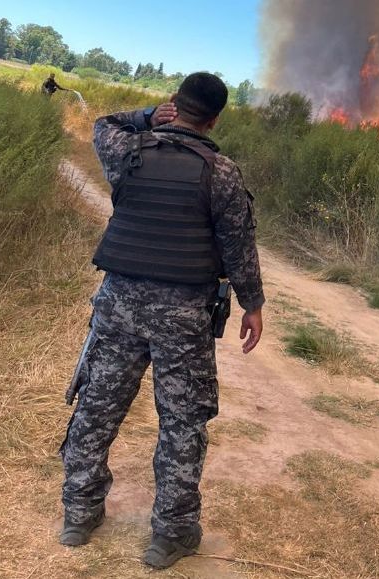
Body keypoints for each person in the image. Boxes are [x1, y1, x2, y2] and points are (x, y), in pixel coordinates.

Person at [59, 72, 265, 569]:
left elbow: (101, 124)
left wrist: (146, 116)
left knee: (97, 409)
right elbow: (238, 247)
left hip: (119, 307)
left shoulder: (126, 149)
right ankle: (170, 536)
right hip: (184, 317)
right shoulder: (221, 172)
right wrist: (252, 304)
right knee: (182, 424)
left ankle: (79, 516)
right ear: (215, 118)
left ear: (175, 104)